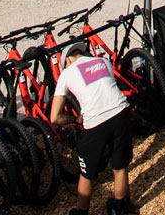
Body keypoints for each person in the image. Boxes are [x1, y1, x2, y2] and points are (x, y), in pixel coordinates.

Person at [50, 45, 133, 215]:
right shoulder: (103, 61)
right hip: (121, 112)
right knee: (120, 165)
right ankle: (119, 207)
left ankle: (82, 212)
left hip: (95, 122)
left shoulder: (67, 73)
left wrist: (75, 120)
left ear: (67, 61)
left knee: (87, 173)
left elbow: (54, 117)